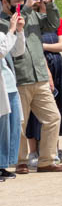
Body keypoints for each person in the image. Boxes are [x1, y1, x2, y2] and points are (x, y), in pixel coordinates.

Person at [0, 0, 62, 173]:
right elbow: (12, 35)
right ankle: (20, 161)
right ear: (5, 2)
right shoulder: (3, 22)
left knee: (53, 118)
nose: (20, 4)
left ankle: (47, 160)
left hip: (40, 76)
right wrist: (27, 7)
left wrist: (50, 4)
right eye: (17, 1)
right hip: (20, 79)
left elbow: (53, 25)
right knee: (20, 123)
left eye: (23, 0)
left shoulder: (32, 14)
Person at [24, 4, 62, 164]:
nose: (47, 2)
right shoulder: (31, 20)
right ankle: (33, 151)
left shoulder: (56, 20)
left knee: (56, 108)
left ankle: (54, 148)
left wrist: (40, 46)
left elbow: (61, 46)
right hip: (36, 64)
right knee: (34, 109)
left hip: (56, 64)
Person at [0, 10, 25, 181]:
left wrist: (19, 31)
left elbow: (17, 51)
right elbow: (1, 51)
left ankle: (4, 164)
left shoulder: (2, 34)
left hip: (10, 86)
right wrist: (11, 30)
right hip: (2, 88)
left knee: (13, 126)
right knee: (2, 128)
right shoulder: (5, 33)